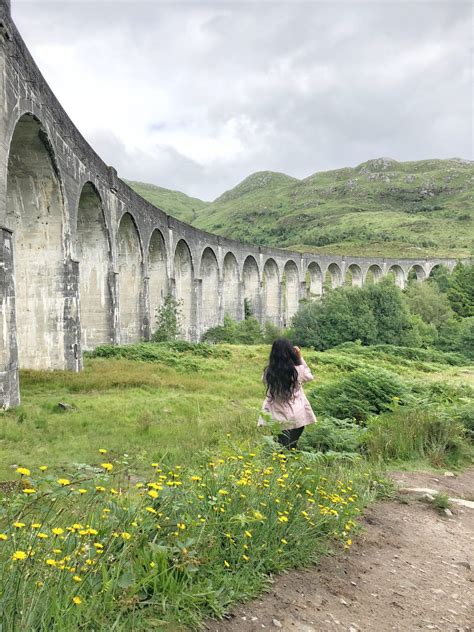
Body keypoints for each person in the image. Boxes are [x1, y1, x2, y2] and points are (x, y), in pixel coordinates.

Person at [258, 338, 316, 449]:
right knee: (292, 445)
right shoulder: (298, 370)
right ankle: (290, 461)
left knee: (281, 446)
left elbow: (263, 380)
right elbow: (309, 377)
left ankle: (282, 463)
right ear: (291, 352)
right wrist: (299, 358)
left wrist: (273, 364)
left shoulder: (268, 372)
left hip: (277, 414)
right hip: (297, 413)